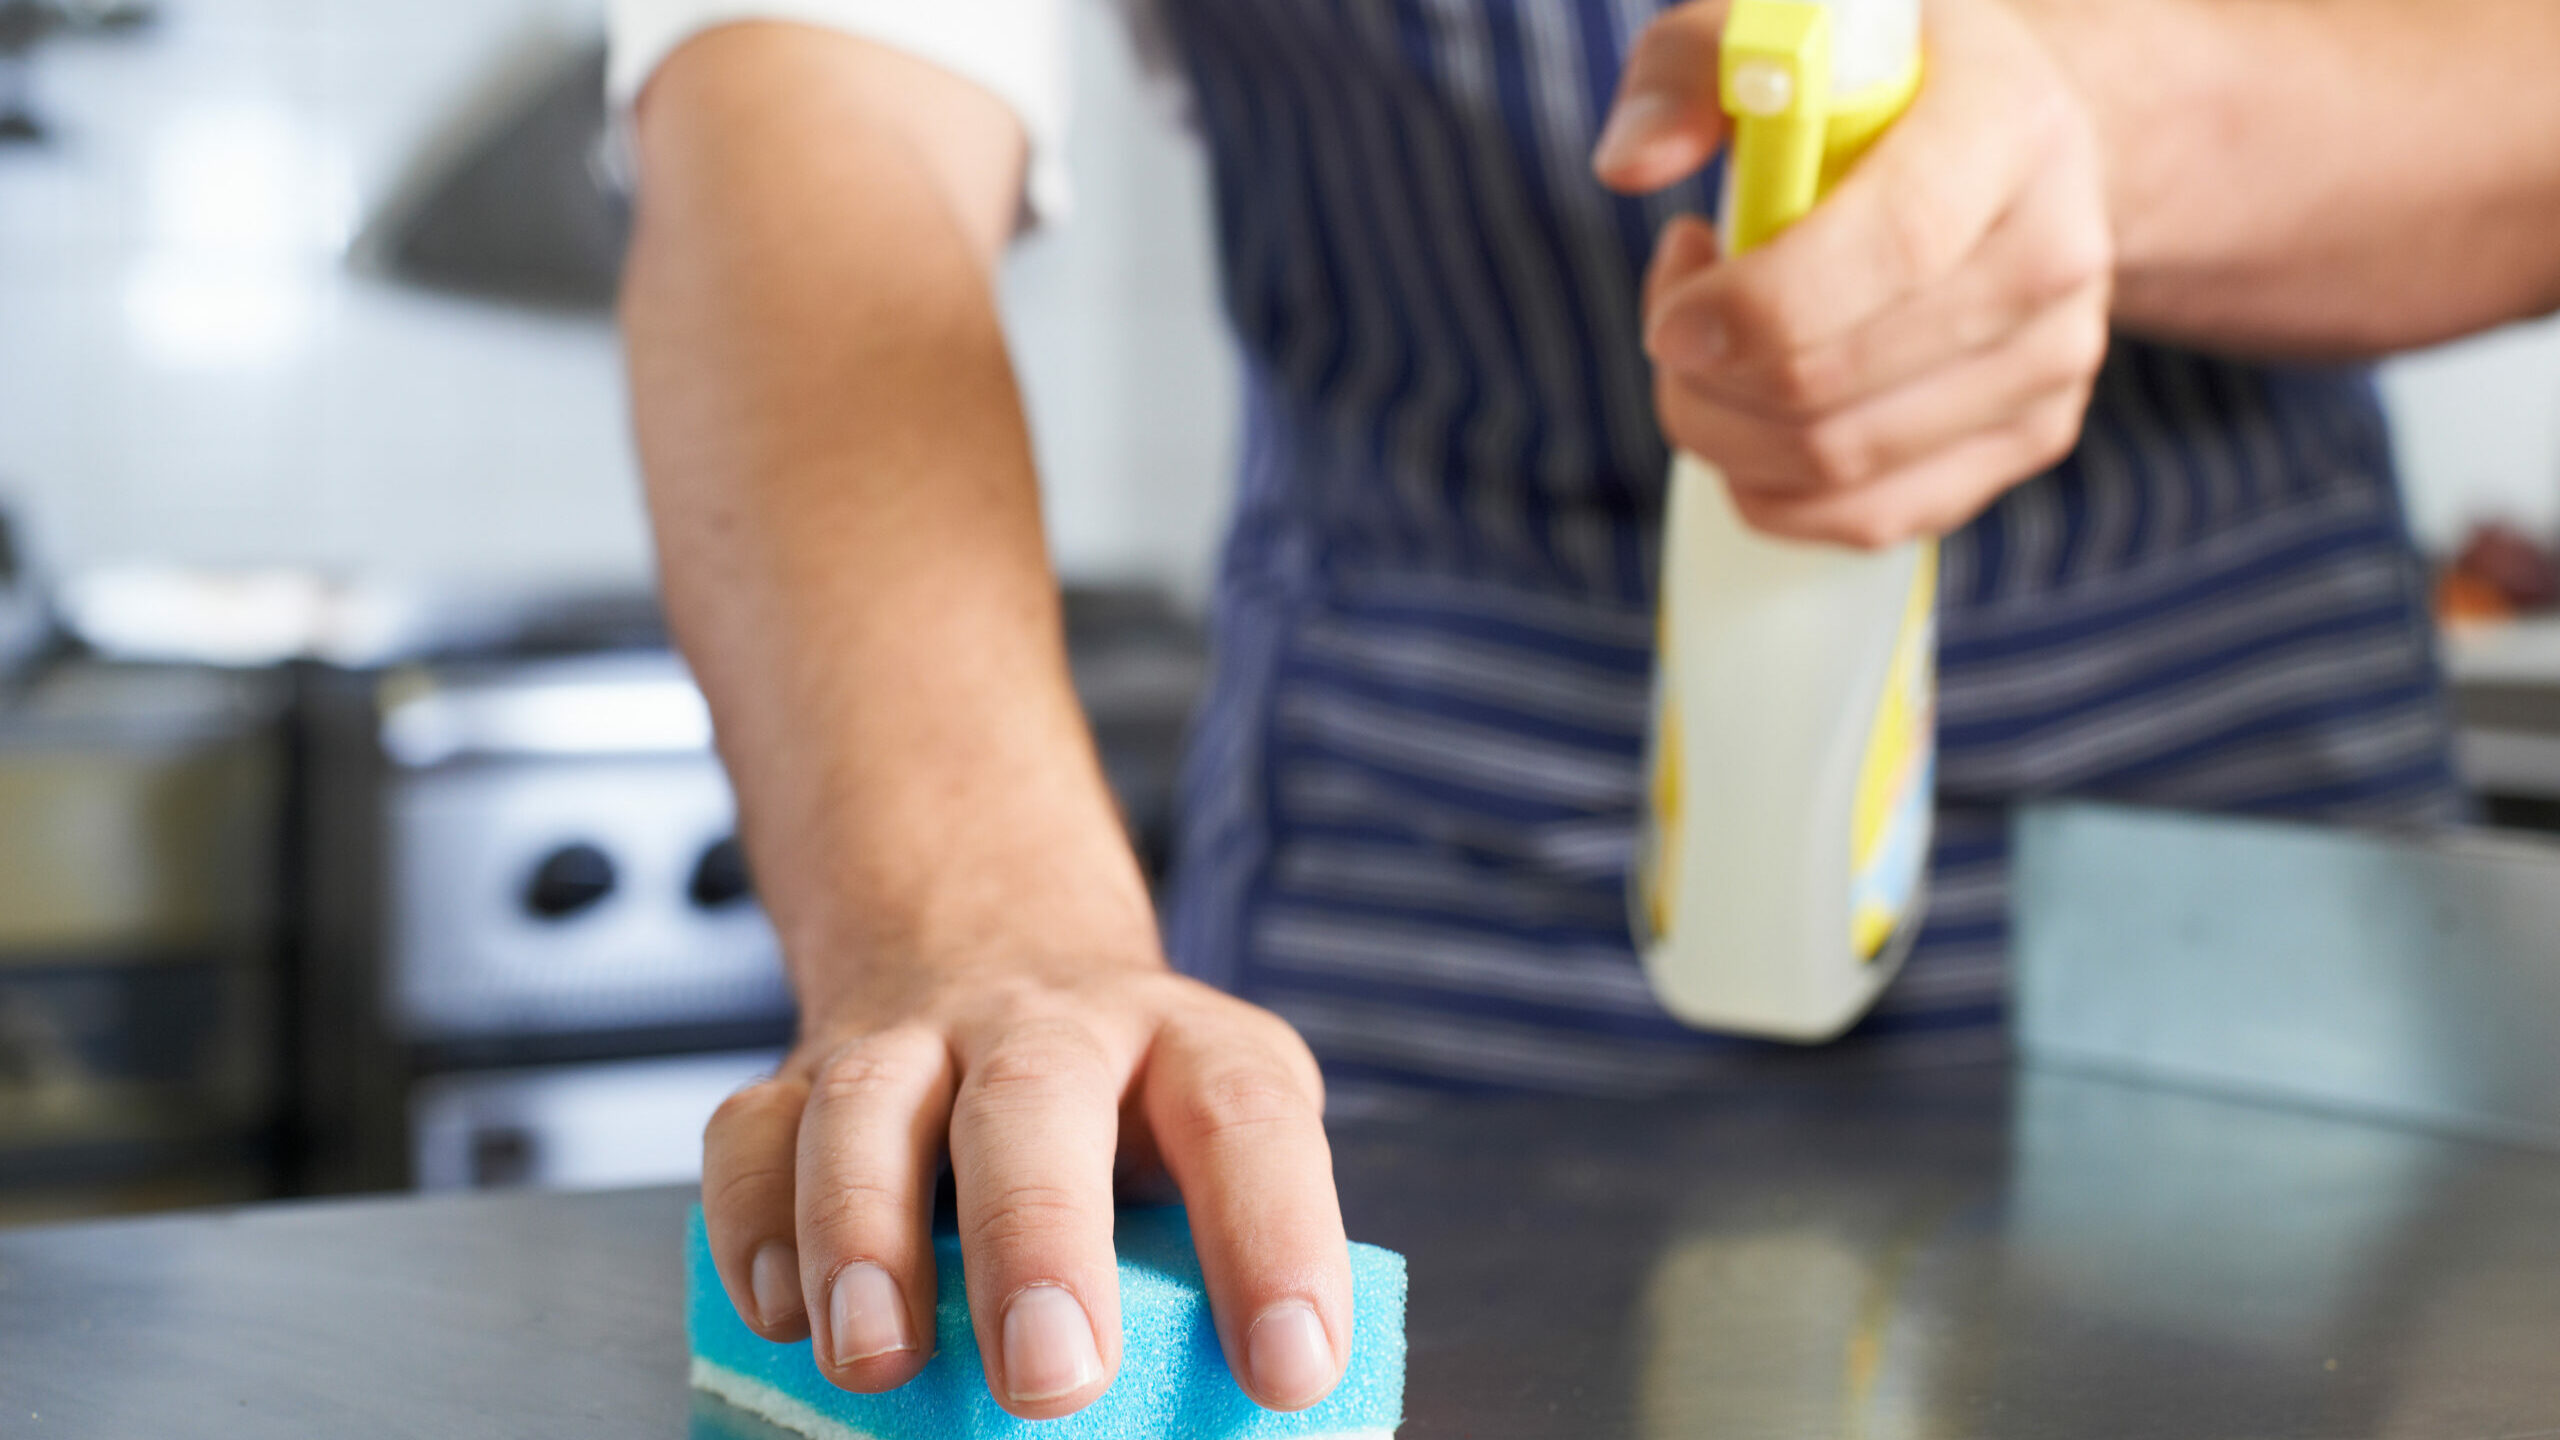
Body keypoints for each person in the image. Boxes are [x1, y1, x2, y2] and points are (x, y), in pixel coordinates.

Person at [608, 0, 2560, 1422]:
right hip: (1419, 979)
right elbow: (807, 106)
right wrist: (980, 927)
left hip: (2262, 986)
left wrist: (2103, 129)